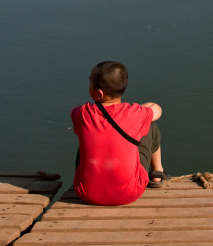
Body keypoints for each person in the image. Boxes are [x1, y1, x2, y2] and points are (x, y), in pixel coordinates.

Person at [71, 61, 167, 206]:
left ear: (99, 93)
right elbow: (157, 109)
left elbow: (76, 110)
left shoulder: (82, 114)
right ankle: (157, 174)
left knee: (87, 135)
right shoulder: (135, 114)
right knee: (150, 124)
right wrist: (139, 113)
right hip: (129, 193)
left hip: (87, 193)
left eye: (90, 82)